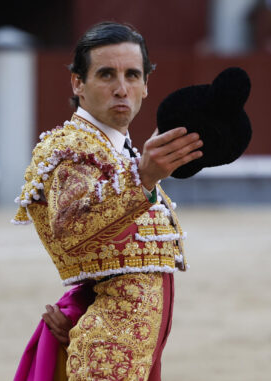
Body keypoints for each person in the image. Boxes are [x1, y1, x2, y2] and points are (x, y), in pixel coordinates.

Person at [12, 22, 203, 381]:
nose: (121, 89)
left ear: (146, 85)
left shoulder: (120, 153)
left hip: (121, 347)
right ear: (77, 84)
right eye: (106, 74)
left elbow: (110, 261)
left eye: (132, 75)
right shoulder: (68, 149)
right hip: (107, 352)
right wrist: (142, 177)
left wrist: (78, 312)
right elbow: (70, 231)